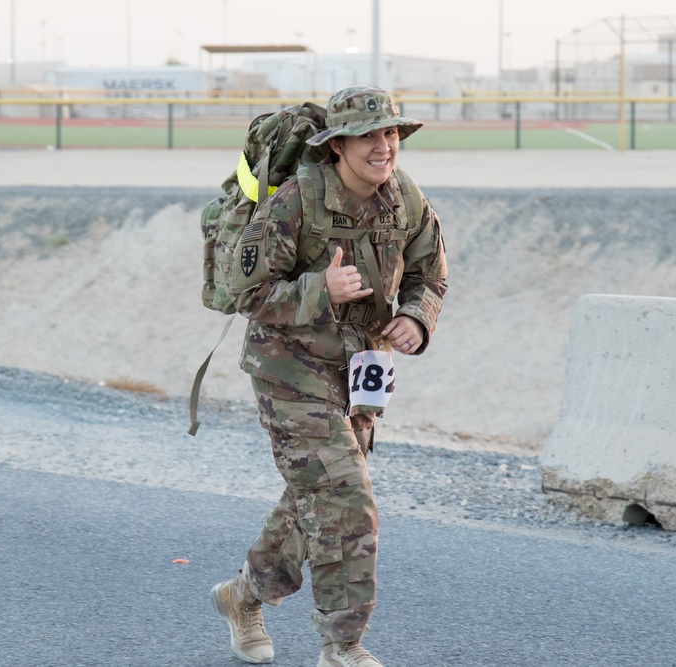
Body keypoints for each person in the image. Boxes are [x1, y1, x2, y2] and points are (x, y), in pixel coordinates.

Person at [210, 85, 448, 667]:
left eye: (390, 133)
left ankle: (243, 596)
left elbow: (429, 274)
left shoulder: (405, 198)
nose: (382, 145)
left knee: (314, 497)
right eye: (368, 135)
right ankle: (342, 646)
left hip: (360, 370)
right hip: (289, 367)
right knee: (347, 496)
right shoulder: (296, 201)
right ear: (338, 145)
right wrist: (321, 289)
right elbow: (248, 292)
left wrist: (416, 319)